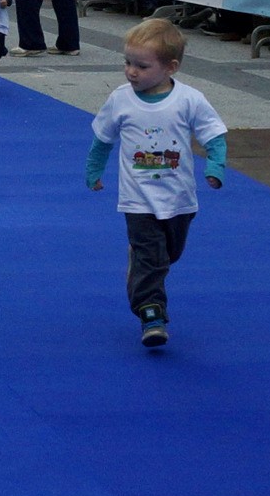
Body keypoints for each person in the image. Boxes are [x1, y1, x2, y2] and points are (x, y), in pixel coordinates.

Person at [87, 20, 227, 349]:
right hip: (137, 199)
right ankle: (151, 312)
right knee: (154, 259)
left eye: (142, 66)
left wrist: (216, 166)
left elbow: (214, 135)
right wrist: (94, 170)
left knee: (169, 254)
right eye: (127, 62)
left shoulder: (189, 100)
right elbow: (102, 139)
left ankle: (140, 265)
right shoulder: (121, 100)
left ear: (170, 67)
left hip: (179, 199)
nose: (131, 72)